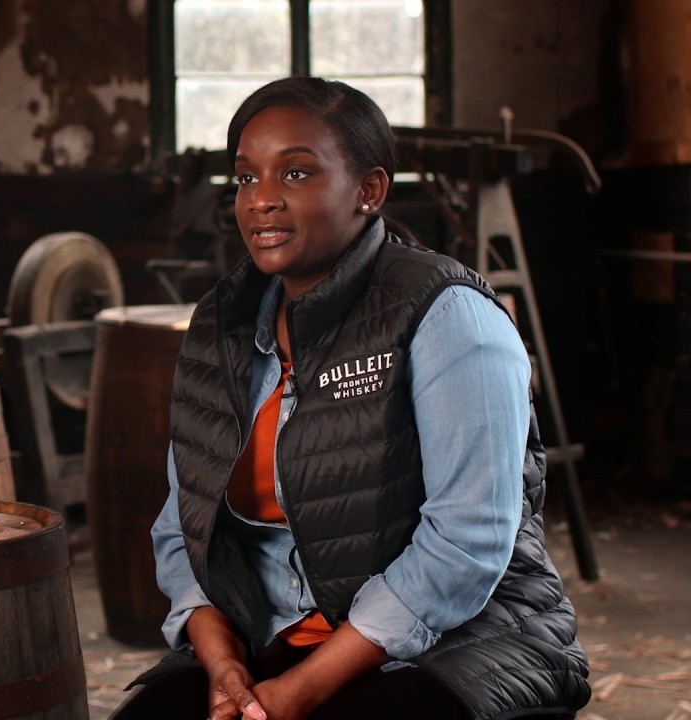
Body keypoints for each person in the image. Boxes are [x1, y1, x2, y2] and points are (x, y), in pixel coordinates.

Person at [118, 77, 591, 720]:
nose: (261, 200)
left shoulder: (447, 314)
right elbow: (184, 523)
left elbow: (467, 540)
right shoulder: (219, 326)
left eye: (295, 173)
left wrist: (302, 690)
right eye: (246, 178)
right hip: (272, 641)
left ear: (369, 190)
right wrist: (222, 661)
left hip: (455, 643)